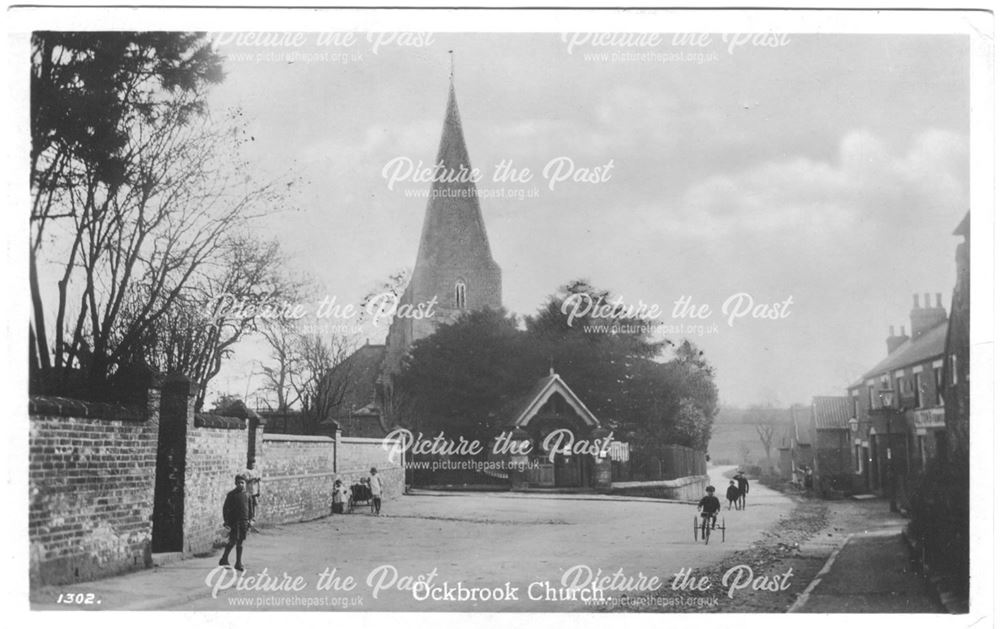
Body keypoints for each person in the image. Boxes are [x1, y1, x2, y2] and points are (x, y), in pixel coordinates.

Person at [220, 474, 254, 571]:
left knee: (240, 542)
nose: (240, 484)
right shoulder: (231, 495)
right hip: (233, 522)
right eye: (238, 483)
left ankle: (238, 563)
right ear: (235, 483)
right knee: (232, 541)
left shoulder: (248, 495)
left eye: (242, 483)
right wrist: (226, 521)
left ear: (245, 483)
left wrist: (251, 520)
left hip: (244, 522)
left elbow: (251, 510)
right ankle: (224, 558)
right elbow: (225, 509)